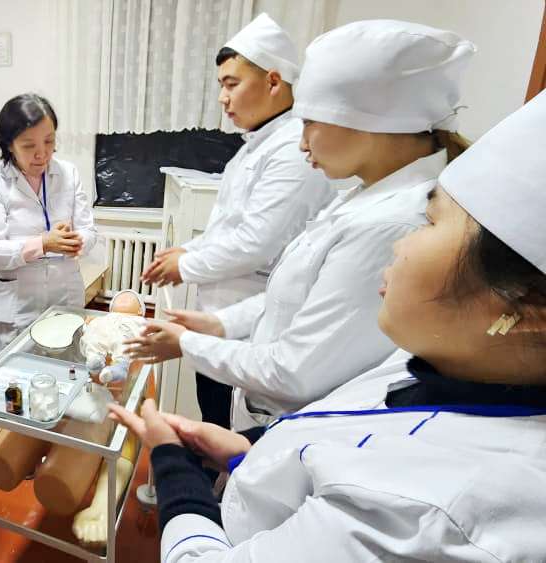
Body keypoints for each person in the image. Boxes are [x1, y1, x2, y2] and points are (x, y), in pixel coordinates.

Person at [110, 87, 546, 563]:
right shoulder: (424, 366)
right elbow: (333, 435)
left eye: (429, 223)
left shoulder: (426, 511)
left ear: (524, 309)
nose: (401, 244)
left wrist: (171, 461)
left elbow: (293, 367)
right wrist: (247, 452)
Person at [127, 20, 475, 430]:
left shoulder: (391, 224)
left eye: (310, 122)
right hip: (257, 372)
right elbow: (292, 293)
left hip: (290, 417)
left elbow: (294, 371)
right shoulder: (362, 197)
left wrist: (186, 341)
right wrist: (220, 323)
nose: (302, 141)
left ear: (364, 123)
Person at [140, 13, 332, 431]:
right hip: (221, 320)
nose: (223, 99)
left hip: (251, 328)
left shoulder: (291, 151)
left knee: (229, 431)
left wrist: (185, 264)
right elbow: (227, 227)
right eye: (221, 86)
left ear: (273, 81)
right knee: (212, 416)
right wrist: (188, 250)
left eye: (232, 84)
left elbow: (256, 242)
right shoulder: (253, 147)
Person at [0, 93, 98, 360]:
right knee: (15, 374)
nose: (42, 153)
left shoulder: (68, 174)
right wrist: (43, 244)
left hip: (63, 297)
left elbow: (89, 231)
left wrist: (76, 241)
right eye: (29, 145)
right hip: (17, 308)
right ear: (9, 144)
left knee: (64, 370)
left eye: (49, 141)